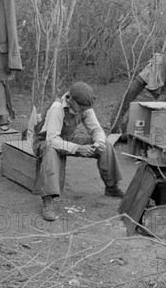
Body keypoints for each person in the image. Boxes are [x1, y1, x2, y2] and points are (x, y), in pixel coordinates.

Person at [34, 82, 124, 221]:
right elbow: (52, 140)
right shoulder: (57, 108)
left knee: (106, 144)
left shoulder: (85, 107)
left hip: (69, 139)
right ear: (70, 100)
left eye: (84, 109)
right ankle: (48, 200)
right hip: (45, 141)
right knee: (50, 150)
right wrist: (78, 149)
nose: (83, 111)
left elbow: (96, 130)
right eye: (80, 109)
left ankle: (111, 186)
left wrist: (98, 143)